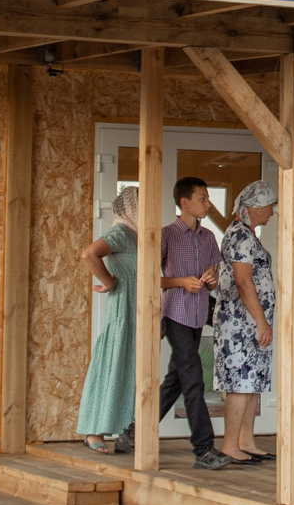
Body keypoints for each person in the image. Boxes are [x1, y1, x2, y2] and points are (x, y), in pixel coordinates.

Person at [157, 177, 229, 469]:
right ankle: (204, 448)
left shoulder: (209, 237)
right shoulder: (166, 235)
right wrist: (180, 282)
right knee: (193, 377)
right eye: (202, 198)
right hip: (175, 314)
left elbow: (212, 276)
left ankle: (132, 433)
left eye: (208, 197)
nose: (208, 204)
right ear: (184, 202)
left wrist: (210, 280)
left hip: (199, 315)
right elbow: (152, 278)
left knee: (176, 379)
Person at [210, 180, 280, 465]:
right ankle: (229, 444)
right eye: (268, 207)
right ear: (254, 207)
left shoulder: (248, 234)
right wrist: (261, 321)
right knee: (239, 383)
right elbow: (242, 280)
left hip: (251, 321)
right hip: (240, 322)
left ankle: (246, 440)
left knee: (251, 382)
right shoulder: (239, 236)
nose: (271, 213)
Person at [76, 188, 143, 454]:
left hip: (138, 309)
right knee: (111, 365)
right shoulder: (121, 233)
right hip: (122, 310)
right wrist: (109, 281)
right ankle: (94, 431)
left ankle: (126, 428)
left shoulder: (139, 237)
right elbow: (89, 254)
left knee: (131, 371)